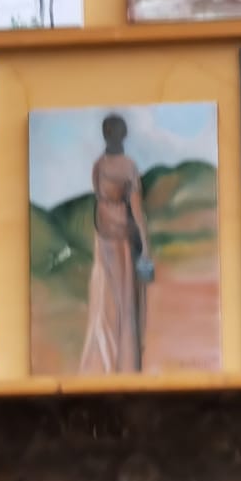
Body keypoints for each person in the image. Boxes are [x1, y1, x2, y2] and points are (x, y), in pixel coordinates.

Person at [79, 113, 154, 374]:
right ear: (123, 135)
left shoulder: (98, 165)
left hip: (103, 234)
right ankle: (127, 364)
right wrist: (145, 244)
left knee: (106, 299)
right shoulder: (129, 167)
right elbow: (136, 209)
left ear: (105, 135)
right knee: (126, 302)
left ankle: (105, 362)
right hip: (122, 237)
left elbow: (99, 198)